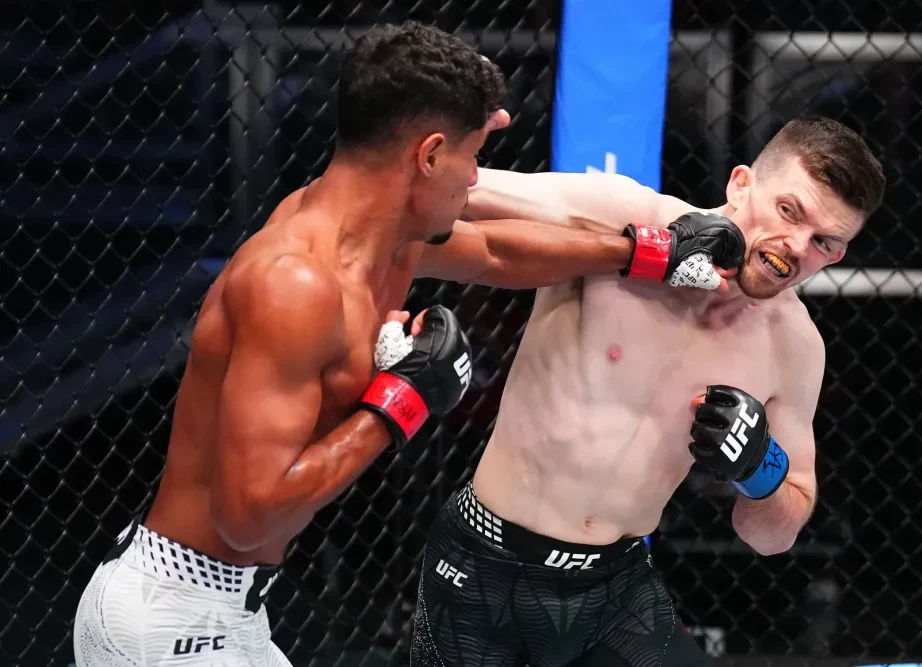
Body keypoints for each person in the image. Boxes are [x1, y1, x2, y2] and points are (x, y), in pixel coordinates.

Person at [72, 22, 683, 667]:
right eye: (472, 156)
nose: (475, 178)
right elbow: (246, 517)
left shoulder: (388, 239)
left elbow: (496, 253)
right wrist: (403, 401)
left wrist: (645, 253)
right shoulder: (294, 283)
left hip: (233, 610)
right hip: (170, 615)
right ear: (429, 155)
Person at [410, 116, 886, 667]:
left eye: (824, 241)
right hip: (484, 563)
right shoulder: (627, 213)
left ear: (837, 255)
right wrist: (633, 250)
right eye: (789, 211)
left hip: (616, 588)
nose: (797, 247)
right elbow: (452, 193)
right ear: (740, 185)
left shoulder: (795, 347)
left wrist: (760, 468)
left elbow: (772, 535)